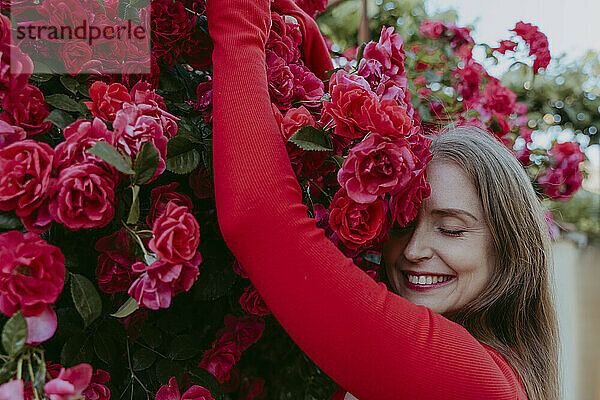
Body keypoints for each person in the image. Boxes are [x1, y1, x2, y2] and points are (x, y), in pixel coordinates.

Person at [206, 0, 560, 399]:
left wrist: (239, 22)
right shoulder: (490, 369)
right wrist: (301, 40)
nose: (413, 250)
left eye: (450, 229)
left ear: (511, 248)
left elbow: (262, 223)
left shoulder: (474, 382)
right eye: (402, 222)